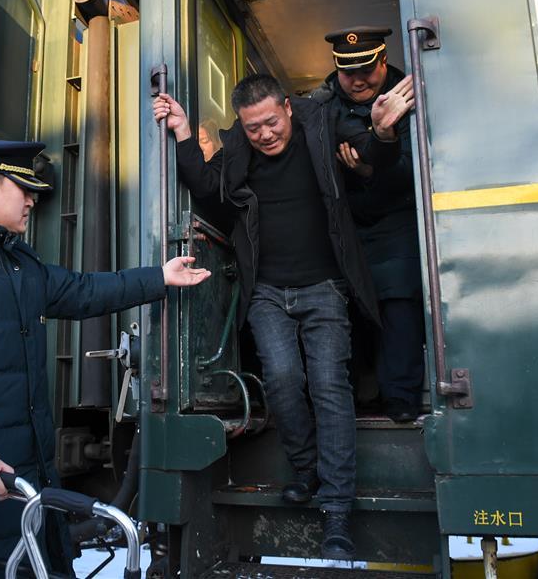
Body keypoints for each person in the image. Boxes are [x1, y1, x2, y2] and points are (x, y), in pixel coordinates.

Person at [0, 139, 210, 578]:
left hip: (25, 494)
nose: (32, 198)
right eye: (23, 187)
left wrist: (159, 277)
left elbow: (81, 291)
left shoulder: (13, 261)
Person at [153, 72, 412, 560]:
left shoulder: (322, 120)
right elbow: (209, 191)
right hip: (268, 291)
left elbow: (371, 161)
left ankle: (336, 510)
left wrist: (380, 131)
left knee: (329, 387)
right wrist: (184, 133)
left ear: (288, 109)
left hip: (325, 288)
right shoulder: (239, 150)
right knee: (283, 379)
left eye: (271, 123)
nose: (265, 134)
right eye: (253, 128)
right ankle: (305, 468)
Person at [313, 26, 424, 422]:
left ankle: (401, 399)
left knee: (398, 303)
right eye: (348, 72)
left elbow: (416, 174)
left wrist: (365, 169)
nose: (357, 80)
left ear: (382, 60)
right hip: (347, 226)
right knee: (350, 308)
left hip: (397, 220)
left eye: (366, 69)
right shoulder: (322, 105)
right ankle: (362, 397)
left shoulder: (411, 96)